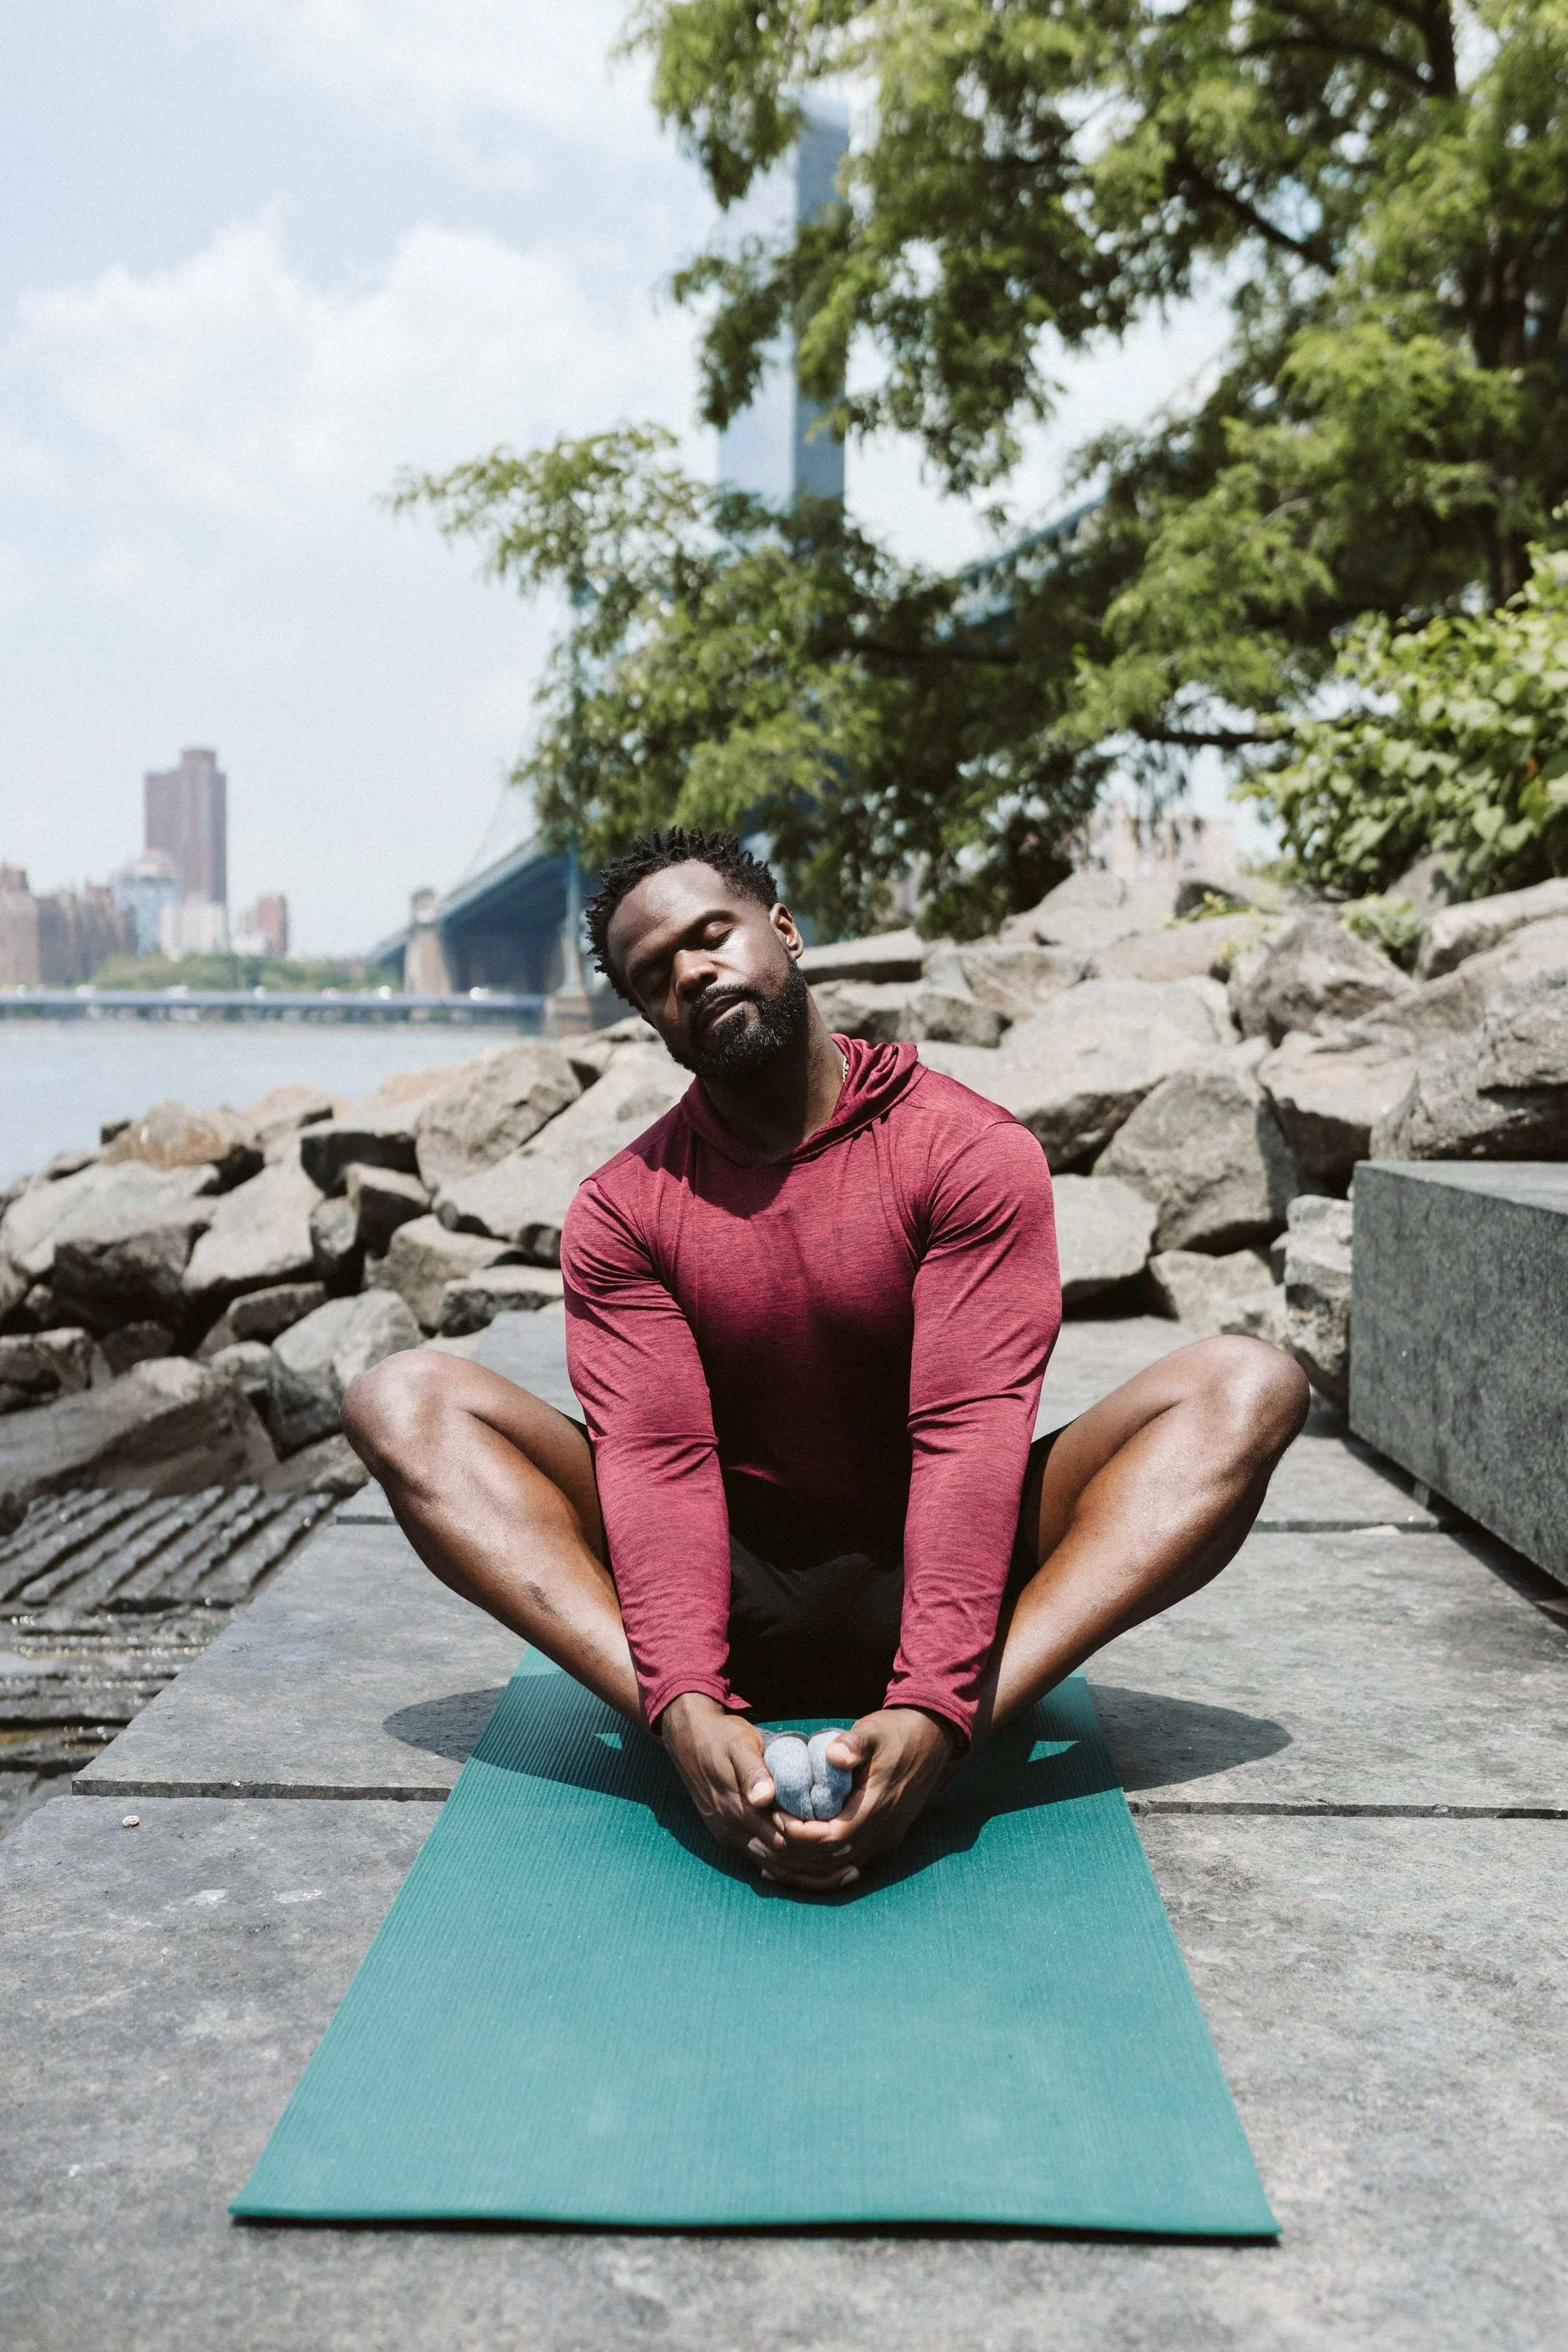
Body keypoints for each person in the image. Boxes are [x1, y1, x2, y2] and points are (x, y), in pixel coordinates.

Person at [345, 829, 1308, 1895]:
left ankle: (958, 1722)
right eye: (655, 975)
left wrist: (936, 1705)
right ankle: (692, 1726)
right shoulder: (624, 1208)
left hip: (962, 1572)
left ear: (786, 932)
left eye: (711, 935)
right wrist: (682, 1701)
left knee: (1247, 1385)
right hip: (728, 1582)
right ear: (650, 1019)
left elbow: (967, 1436)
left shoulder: (964, 1148)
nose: (692, 971)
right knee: (404, 1398)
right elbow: (659, 1463)